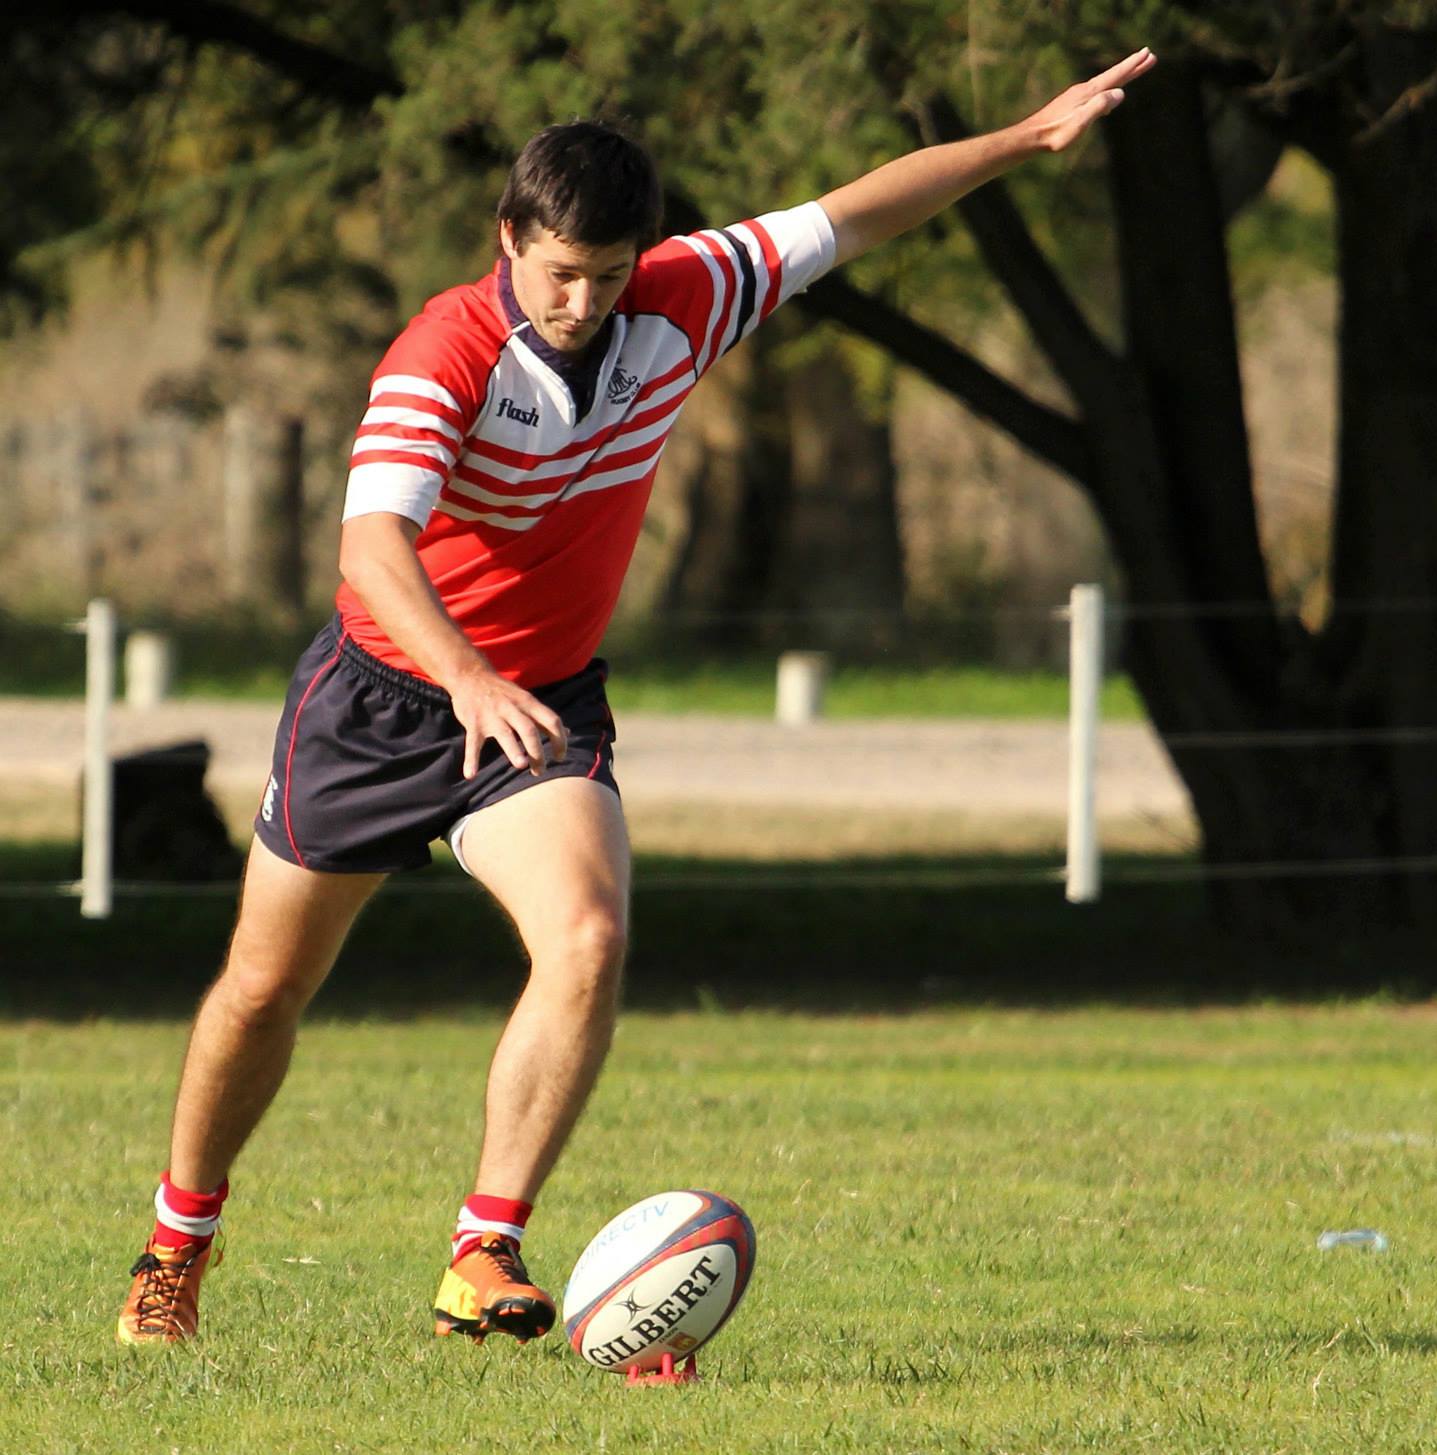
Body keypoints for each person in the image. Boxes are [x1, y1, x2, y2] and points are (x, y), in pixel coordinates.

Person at [116, 46, 1157, 1348]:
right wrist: (464, 673)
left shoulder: (685, 297)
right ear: (508, 237)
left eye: (606, 274)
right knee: (263, 991)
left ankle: (482, 1250)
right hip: (384, 697)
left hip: (540, 706)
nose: (580, 299)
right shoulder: (442, 351)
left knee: (591, 940)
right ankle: (176, 1247)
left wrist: (1020, 141)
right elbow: (372, 549)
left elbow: (860, 209)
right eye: (558, 271)